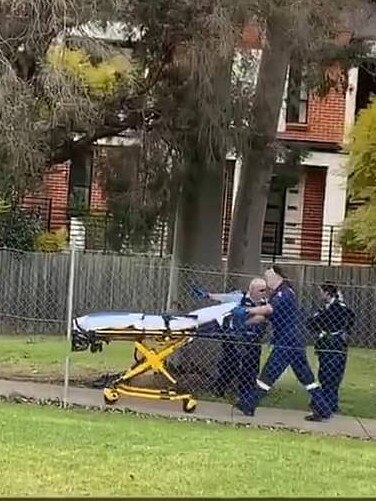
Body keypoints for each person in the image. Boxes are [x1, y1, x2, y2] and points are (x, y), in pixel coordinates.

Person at [241, 265, 330, 419]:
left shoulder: (285, 293)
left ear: (277, 276)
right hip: (292, 341)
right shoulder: (277, 294)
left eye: (268, 275)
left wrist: (246, 311)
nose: (266, 279)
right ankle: (323, 409)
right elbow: (264, 316)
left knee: (269, 373)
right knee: (306, 378)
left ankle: (249, 404)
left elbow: (268, 310)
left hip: (287, 341)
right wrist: (243, 323)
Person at [193, 279, 268, 409]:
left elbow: (264, 317)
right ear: (252, 290)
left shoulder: (266, 303)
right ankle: (220, 389)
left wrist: (245, 320)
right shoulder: (240, 297)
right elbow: (224, 298)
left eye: (265, 290)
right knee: (229, 363)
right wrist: (208, 295)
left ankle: (245, 394)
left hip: (253, 340)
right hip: (234, 337)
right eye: (261, 290)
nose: (264, 293)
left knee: (250, 368)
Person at [306, 282, 355, 421]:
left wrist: (344, 331)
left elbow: (349, 318)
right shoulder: (327, 308)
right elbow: (311, 323)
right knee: (326, 374)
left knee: (330, 375)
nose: (320, 294)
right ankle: (329, 403)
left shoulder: (337, 308)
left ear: (328, 293)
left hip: (334, 344)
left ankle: (326, 405)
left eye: (321, 292)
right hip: (326, 344)